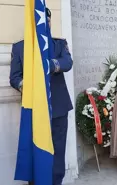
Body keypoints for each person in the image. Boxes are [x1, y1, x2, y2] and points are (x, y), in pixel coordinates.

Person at [9, 8, 73, 185]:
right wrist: (28, 87)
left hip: (58, 108)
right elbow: (14, 78)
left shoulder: (59, 43)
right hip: (36, 109)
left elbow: (67, 62)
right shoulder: (20, 47)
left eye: (47, 21)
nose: (45, 24)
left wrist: (49, 64)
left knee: (58, 151)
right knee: (35, 152)